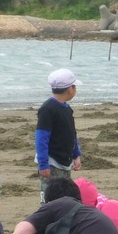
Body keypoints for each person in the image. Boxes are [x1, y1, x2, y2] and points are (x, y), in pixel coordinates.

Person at [36, 68, 83, 205]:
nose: (76, 90)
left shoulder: (67, 108)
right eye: (75, 86)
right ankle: (45, 218)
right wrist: (43, 164)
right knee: (49, 193)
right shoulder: (48, 109)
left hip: (65, 160)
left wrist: (76, 154)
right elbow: (41, 138)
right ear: (69, 89)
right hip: (51, 162)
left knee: (64, 192)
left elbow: (71, 133)